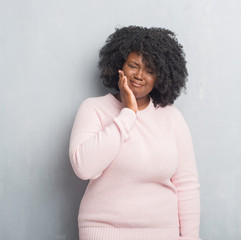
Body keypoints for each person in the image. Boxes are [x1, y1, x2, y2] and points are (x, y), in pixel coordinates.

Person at [68, 26, 201, 240]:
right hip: (103, 232)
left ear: (160, 76)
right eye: (133, 65)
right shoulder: (93, 109)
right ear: (119, 65)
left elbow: (186, 185)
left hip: (162, 234)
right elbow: (84, 168)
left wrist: (191, 238)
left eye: (150, 70)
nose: (140, 75)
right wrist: (128, 114)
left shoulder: (172, 117)